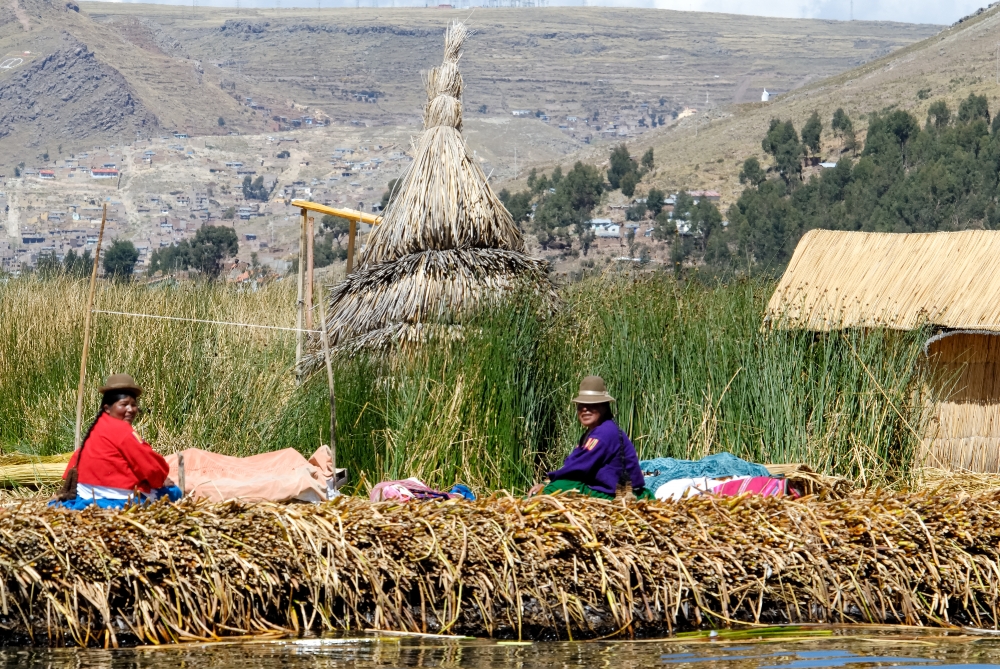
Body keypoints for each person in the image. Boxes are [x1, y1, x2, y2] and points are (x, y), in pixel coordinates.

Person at [52, 374, 179, 510]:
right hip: (117, 497)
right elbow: (149, 465)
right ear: (107, 408)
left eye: (133, 405)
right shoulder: (122, 430)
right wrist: (160, 480)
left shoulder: (97, 427)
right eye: (124, 404)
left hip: (86, 493)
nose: (130, 410)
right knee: (174, 492)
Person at [531, 375, 654, 500]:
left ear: (604, 406)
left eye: (592, 404)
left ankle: (527, 503)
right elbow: (573, 461)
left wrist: (549, 482)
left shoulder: (605, 432)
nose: (585, 409)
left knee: (562, 486)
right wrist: (548, 482)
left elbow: (578, 467)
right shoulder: (593, 432)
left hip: (619, 495)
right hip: (604, 489)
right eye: (581, 405)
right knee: (562, 484)